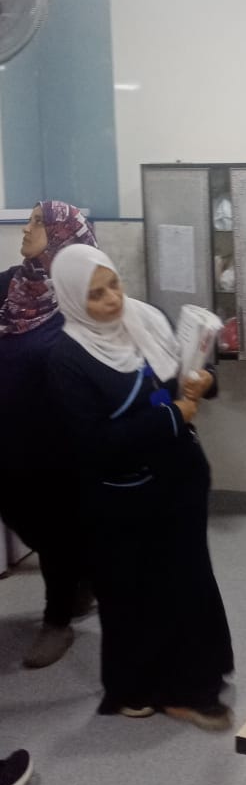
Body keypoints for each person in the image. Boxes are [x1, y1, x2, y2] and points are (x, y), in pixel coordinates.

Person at [48, 244, 234, 731]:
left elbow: (192, 374)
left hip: (181, 479)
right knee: (138, 594)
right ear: (72, 299)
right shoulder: (66, 357)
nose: (112, 299)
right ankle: (154, 689)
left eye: (113, 284)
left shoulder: (146, 319)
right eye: (95, 294)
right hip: (125, 498)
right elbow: (93, 443)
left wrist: (202, 382)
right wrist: (174, 415)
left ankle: (197, 677)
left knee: (189, 579)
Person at [0, 201, 98, 667]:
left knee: (56, 527)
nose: (27, 228)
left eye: (39, 222)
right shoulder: (8, 284)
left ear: (63, 235)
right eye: (30, 219)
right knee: (20, 516)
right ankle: (81, 574)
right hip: (7, 433)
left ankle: (58, 620)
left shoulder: (81, 297)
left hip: (55, 441)